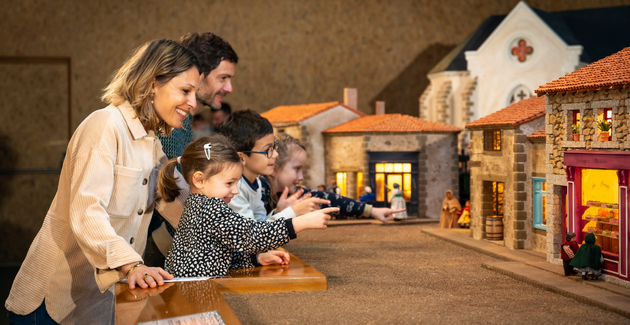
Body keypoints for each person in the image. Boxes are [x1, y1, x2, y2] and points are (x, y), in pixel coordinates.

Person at [6, 39, 200, 324]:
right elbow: (87, 213)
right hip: (50, 305)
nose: (193, 103)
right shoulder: (104, 125)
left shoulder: (152, 142)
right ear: (151, 83)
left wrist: (246, 242)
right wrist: (133, 263)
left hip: (97, 302)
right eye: (185, 91)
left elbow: (181, 204)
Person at [160, 134, 338, 277]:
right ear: (199, 180)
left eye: (236, 183)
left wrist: (256, 258)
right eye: (229, 183)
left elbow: (220, 250)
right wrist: (300, 223)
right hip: (193, 288)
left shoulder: (198, 204)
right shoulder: (211, 207)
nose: (235, 191)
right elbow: (250, 235)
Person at [144, 32, 239, 268]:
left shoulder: (183, 122)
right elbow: (169, 190)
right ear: (199, 74)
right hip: (152, 246)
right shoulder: (172, 122)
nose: (229, 88)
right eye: (223, 78)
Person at [264, 134, 404, 223]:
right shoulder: (258, 190)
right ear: (274, 167)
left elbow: (328, 200)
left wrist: (372, 211)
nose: (301, 177)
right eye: (297, 169)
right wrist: (282, 214)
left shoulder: (288, 193)